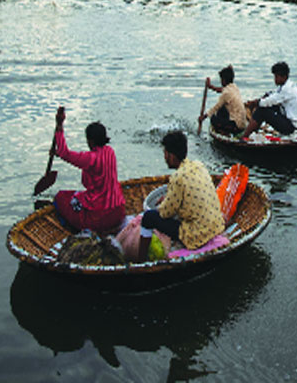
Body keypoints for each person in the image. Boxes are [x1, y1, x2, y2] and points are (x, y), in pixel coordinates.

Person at [138, 130, 224, 260]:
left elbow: (166, 213)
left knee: (148, 217)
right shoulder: (198, 165)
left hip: (196, 234)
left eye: (165, 154)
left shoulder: (178, 177)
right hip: (216, 225)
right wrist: (168, 199)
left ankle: (140, 259)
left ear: (171, 156)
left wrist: (163, 204)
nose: (165, 157)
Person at [52, 109, 126, 233]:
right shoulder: (110, 151)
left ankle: (71, 228)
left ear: (90, 141)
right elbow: (66, 154)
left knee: (60, 197)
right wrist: (58, 153)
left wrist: (59, 125)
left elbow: (66, 153)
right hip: (118, 211)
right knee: (78, 195)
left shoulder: (90, 158)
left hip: (100, 217)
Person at [240, 61, 297, 141]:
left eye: (277, 77)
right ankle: (252, 132)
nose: (275, 79)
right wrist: (264, 97)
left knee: (261, 111)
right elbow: (273, 94)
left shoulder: (287, 89)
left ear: (284, 77)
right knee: (267, 106)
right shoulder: (287, 85)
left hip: (291, 127)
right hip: (289, 119)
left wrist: (256, 102)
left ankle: (245, 136)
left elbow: (269, 101)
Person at [197, 65, 248, 136]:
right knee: (222, 109)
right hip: (243, 124)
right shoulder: (234, 87)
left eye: (221, 79)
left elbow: (215, 108)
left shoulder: (226, 93)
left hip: (236, 126)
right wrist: (211, 87)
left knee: (213, 119)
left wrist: (203, 117)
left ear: (223, 80)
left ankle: (224, 132)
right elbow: (221, 89)